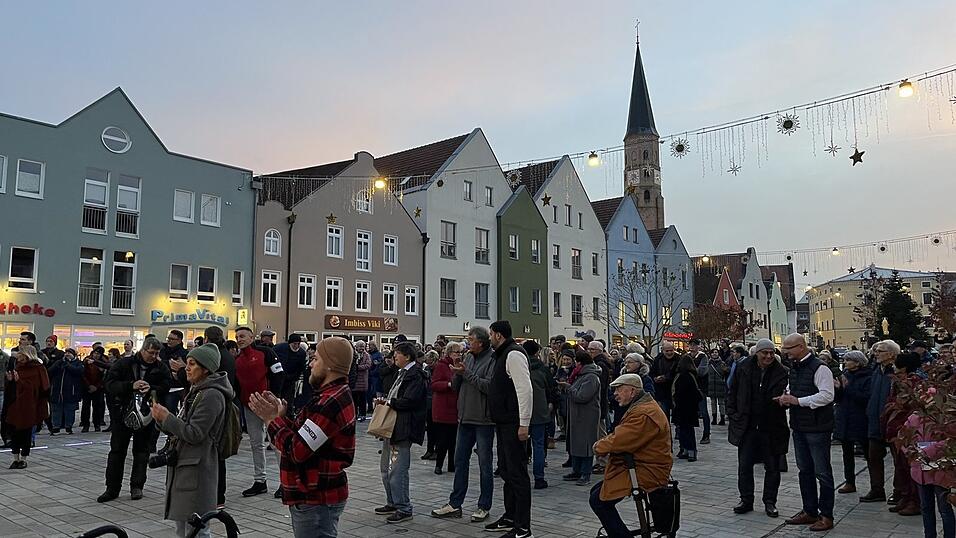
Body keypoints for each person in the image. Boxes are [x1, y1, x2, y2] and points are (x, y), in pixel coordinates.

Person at [249, 336, 356, 538]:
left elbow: (297, 450)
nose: (311, 365)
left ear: (330, 366)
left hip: (315, 496)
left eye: (316, 359)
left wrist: (272, 420)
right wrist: (282, 417)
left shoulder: (329, 402)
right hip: (315, 493)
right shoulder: (329, 395)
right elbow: (307, 437)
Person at [151, 344, 233, 538]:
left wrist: (167, 418)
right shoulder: (198, 390)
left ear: (206, 368)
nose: (186, 368)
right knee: (184, 526)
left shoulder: (212, 394)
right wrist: (161, 420)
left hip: (197, 467)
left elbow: (196, 433)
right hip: (186, 465)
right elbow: (182, 425)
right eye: (187, 363)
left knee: (196, 527)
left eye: (192, 364)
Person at [589, 374, 672, 538]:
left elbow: (621, 439)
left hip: (647, 471)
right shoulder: (642, 406)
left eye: (619, 389)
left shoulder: (644, 413)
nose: (615, 394)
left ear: (632, 391)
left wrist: (598, 446)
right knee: (597, 492)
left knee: (599, 501)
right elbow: (622, 435)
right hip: (639, 466)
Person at [431, 326, 497, 523]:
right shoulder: (468, 357)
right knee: (460, 462)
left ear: (482, 342)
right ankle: (455, 503)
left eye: (471, 340)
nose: (467, 343)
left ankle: (484, 506)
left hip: (484, 419)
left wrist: (466, 373)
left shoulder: (493, 359)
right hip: (465, 417)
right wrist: (457, 374)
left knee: (485, 464)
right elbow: (457, 385)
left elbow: (489, 387)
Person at [98, 336, 172, 503]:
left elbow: (167, 386)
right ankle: (112, 488)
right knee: (117, 451)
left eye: (157, 353)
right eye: (151, 353)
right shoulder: (124, 364)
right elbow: (109, 384)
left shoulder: (160, 367)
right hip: (122, 413)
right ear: (142, 350)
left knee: (141, 451)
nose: (154, 356)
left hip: (145, 414)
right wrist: (130, 386)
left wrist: (151, 388)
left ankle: (137, 486)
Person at [777, 333, 836, 531]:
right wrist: (786, 397)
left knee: (822, 472)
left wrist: (798, 401)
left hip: (818, 428)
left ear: (801, 347)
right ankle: (809, 511)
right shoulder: (795, 367)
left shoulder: (820, 367)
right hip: (800, 426)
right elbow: (793, 388)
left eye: (789, 348)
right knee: (805, 471)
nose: (785, 352)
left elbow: (827, 395)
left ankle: (826, 515)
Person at [727, 338, 789, 518]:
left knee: (772, 467)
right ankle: (746, 499)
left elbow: (786, 395)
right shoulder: (744, 368)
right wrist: (733, 413)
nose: (769, 356)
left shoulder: (781, 371)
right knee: (744, 465)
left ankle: (770, 501)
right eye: (765, 353)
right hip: (747, 425)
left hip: (771, 426)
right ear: (757, 353)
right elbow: (732, 390)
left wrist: (784, 403)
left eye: (771, 353)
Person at [483, 320, 534, 538]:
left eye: (491, 334)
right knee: (506, 471)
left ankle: (523, 527)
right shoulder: (502, 354)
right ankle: (511, 516)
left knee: (518, 474)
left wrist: (524, 423)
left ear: (498, 335)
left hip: (514, 422)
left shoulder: (513, 354)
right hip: (503, 421)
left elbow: (525, 390)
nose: (489, 337)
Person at [373, 341, 426, 524]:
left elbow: (410, 401)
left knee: (398, 470)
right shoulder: (401, 373)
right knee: (385, 469)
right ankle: (392, 502)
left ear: (408, 356)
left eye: (397, 354)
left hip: (403, 427)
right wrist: (386, 400)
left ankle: (404, 507)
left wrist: (389, 403)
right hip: (392, 426)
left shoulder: (416, 375)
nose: (394, 356)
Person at [234, 326, 284, 498]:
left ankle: (285, 482)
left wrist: (276, 398)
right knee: (256, 443)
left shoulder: (266, 353)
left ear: (251, 337)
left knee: (277, 443)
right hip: (249, 405)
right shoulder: (237, 359)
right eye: (237, 336)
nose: (239, 339)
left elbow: (279, 375)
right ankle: (260, 481)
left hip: (269, 405)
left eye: (242, 336)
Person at [861, 339, 899, 504]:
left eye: (880, 351)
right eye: (875, 351)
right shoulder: (876, 370)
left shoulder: (897, 372)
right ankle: (877, 489)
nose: (875, 353)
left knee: (899, 459)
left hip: (892, 421)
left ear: (891, 354)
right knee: (873, 456)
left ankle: (899, 492)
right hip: (875, 419)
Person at [833, 350, 872, 495]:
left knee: (868, 453)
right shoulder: (846, 376)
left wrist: (847, 388)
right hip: (845, 417)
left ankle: (875, 485)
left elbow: (864, 397)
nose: (845, 362)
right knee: (846, 453)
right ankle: (849, 482)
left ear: (857, 362)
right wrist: (838, 389)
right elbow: (839, 398)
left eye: (848, 360)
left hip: (860, 418)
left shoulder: (867, 377)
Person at [4, 346, 49, 469]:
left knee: (26, 432)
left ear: (27, 355)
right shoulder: (17, 367)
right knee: (14, 431)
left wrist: (19, 382)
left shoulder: (38, 368)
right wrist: (11, 380)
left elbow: (39, 388)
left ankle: (23, 458)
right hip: (15, 404)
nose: (19, 357)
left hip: (29, 405)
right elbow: (13, 387)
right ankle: (15, 458)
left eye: (21, 354)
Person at [562, 350, 602, 486]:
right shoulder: (580, 375)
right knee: (576, 443)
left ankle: (586, 473)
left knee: (586, 444)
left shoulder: (591, 376)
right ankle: (576, 470)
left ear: (580, 363)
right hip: (577, 415)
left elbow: (582, 396)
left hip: (587, 416)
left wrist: (568, 388)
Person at [524, 339, 555, 490]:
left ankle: (520, 476)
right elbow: (551, 389)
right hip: (540, 411)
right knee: (538, 446)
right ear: (537, 352)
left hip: (522, 411)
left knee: (520, 445)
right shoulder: (543, 369)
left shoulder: (521, 367)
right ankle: (539, 478)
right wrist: (550, 404)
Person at [430, 342, 461, 475]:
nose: (459, 355)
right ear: (449, 353)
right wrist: (448, 384)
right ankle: (439, 464)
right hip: (443, 407)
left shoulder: (460, 366)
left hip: (456, 407)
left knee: (454, 440)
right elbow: (434, 384)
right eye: (456, 352)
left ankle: (452, 464)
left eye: (460, 352)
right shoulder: (441, 366)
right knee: (443, 439)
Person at [671, 355, 704, 462]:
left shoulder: (681, 376)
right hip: (689, 408)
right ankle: (689, 451)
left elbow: (677, 391)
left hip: (681, 407)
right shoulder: (692, 375)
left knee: (684, 430)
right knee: (687, 430)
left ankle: (688, 450)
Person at [48, 347, 84, 434]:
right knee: (56, 410)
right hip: (57, 391)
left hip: (71, 391)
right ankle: (56, 426)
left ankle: (68, 426)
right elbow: (50, 371)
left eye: (69, 353)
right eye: (66, 353)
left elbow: (78, 371)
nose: (67, 354)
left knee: (70, 410)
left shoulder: (78, 363)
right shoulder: (59, 362)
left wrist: (68, 366)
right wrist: (59, 363)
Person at [274, 334, 308, 416]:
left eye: (298, 344)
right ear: (290, 343)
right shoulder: (279, 348)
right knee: (276, 400)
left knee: (288, 401)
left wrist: (294, 377)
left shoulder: (301, 353)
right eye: (294, 344)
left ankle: (288, 418)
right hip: (277, 379)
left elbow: (301, 368)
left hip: (290, 381)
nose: (296, 346)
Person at [687, 338, 712, 444]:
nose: (692, 347)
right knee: (688, 412)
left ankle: (706, 434)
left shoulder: (703, 357)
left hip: (700, 388)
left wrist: (689, 368)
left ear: (698, 346)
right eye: (691, 345)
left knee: (704, 412)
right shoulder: (687, 356)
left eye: (694, 345)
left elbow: (702, 371)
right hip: (689, 388)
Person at [81, 346, 110, 432]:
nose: (96, 355)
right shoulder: (87, 361)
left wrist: (96, 386)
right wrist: (88, 385)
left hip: (98, 388)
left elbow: (103, 377)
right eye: (95, 353)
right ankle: (85, 424)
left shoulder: (103, 363)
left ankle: (97, 424)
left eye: (98, 354)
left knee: (97, 407)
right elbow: (83, 375)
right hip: (87, 387)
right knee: (86, 407)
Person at [160, 330, 188, 415]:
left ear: (179, 340)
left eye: (172, 339)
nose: (169, 340)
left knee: (170, 413)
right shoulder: (163, 351)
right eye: (168, 338)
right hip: (163, 386)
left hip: (176, 387)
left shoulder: (184, 354)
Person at [649, 342, 680, 419]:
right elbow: (652, 372)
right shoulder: (657, 359)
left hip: (675, 392)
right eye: (667, 351)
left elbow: (678, 373)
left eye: (671, 350)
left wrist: (666, 377)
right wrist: (655, 378)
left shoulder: (679, 359)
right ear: (663, 350)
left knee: (677, 418)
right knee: (664, 416)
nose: (669, 353)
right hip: (662, 392)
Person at [706, 348, 727, 425]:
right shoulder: (708, 363)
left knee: (721, 403)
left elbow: (726, 372)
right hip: (711, 385)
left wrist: (726, 370)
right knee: (713, 403)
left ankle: (722, 418)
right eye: (713, 352)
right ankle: (714, 418)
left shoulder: (722, 363)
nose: (714, 354)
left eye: (716, 352)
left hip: (720, 385)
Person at [351, 341, 372, 422]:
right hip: (355, 381)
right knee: (354, 400)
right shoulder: (353, 355)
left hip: (363, 381)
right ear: (356, 347)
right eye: (360, 346)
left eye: (363, 346)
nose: (361, 348)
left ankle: (363, 414)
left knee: (363, 400)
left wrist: (358, 367)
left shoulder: (367, 356)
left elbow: (368, 365)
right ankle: (355, 414)